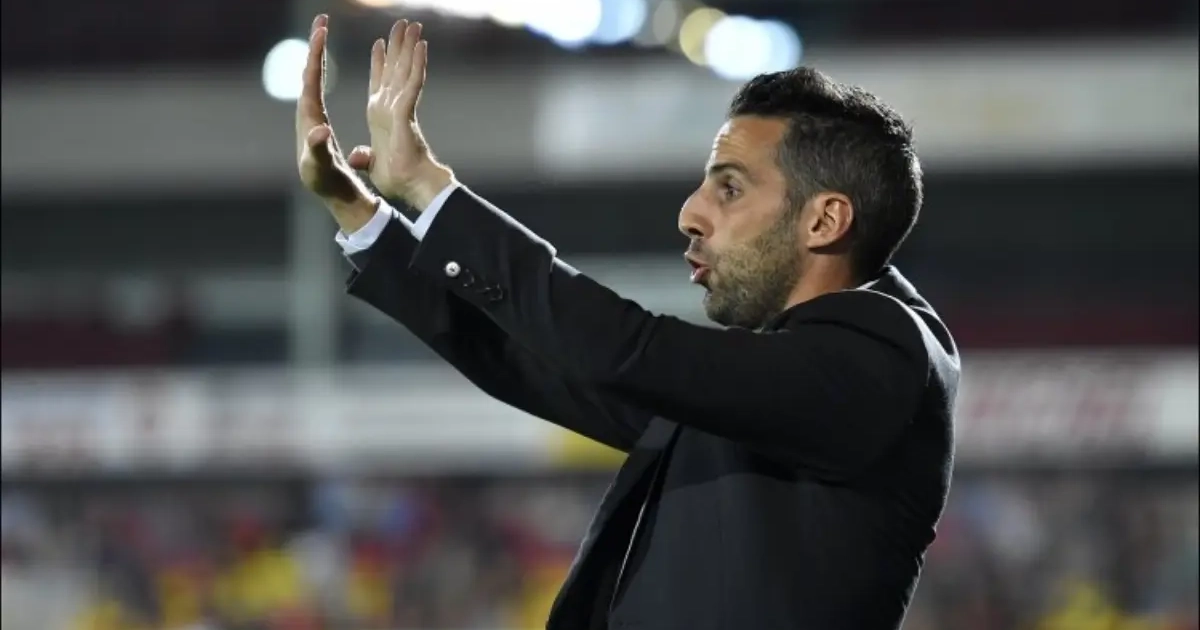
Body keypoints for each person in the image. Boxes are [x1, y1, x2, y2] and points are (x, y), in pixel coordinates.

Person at [295, 14, 959, 630]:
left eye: (729, 188)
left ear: (824, 220)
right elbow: (540, 361)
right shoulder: (771, 389)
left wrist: (431, 189)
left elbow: (624, 349)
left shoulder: (887, 355)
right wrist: (362, 215)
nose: (691, 213)